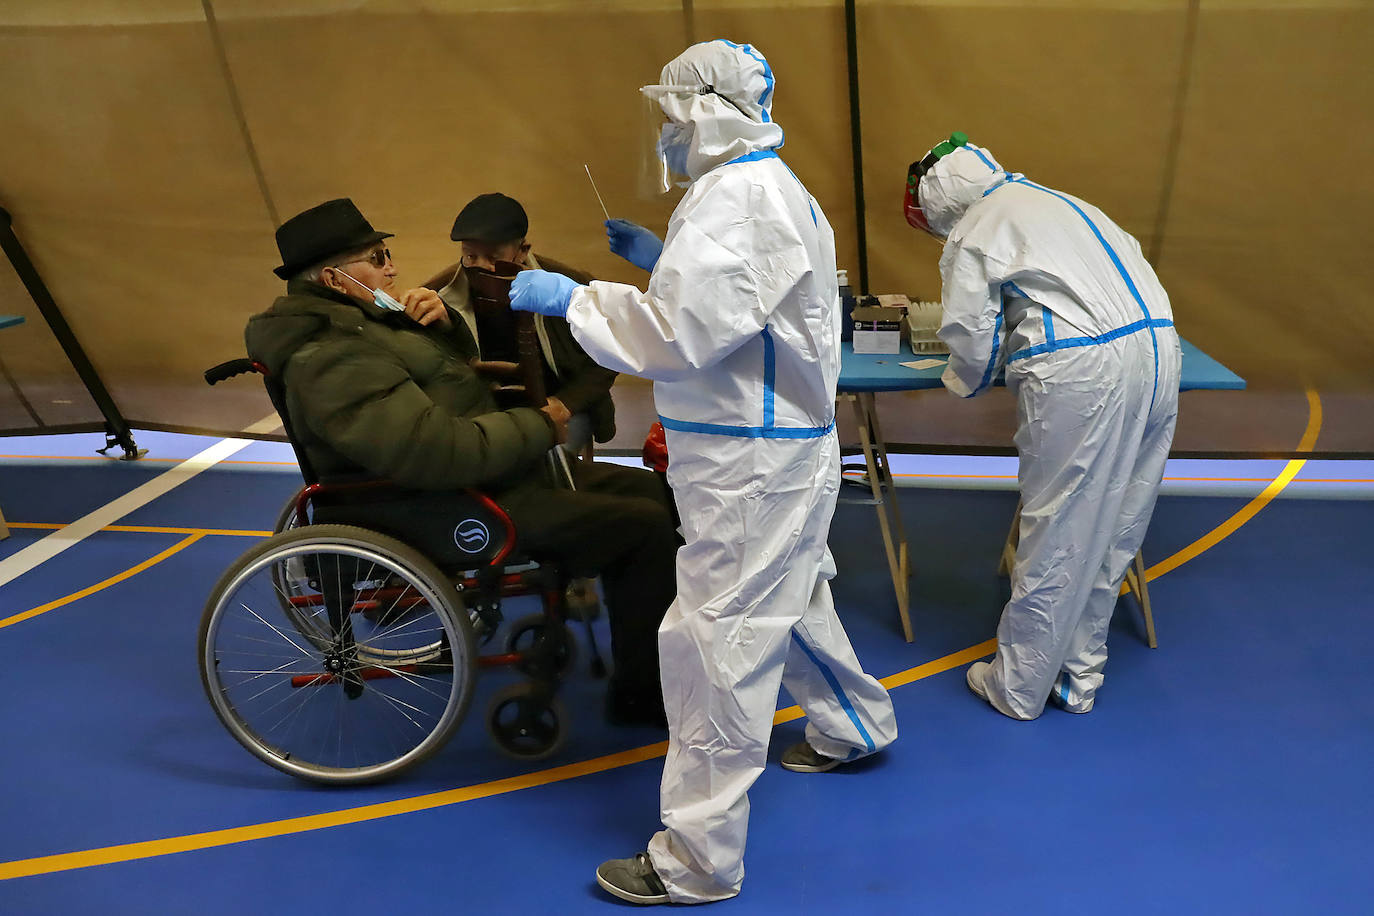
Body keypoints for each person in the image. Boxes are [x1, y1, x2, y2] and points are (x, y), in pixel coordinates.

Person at [508, 40, 897, 905]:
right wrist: (657, 259)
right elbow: (748, 311)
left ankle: (697, 861)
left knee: (714, 642)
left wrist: (574, 299)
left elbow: (681, 336)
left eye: (672, 119)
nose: (664, 136)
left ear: (706, 113)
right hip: (770, 453)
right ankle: (854, 724)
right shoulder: (760, 187)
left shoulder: (739, 200)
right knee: (792, 598)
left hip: (746, 462)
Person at [244, 197, 677, 727]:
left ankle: (648, 661)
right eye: (378, 257)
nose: (393, 267)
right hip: (441, 499)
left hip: (479, 478)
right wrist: (538, 425)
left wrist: (444, 326)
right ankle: (642, 696)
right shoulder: (332, 354)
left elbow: (439, 385)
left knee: (657, 493)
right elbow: (433, 449)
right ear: (335, 280)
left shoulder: (361, 325)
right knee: (645, 528)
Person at [904, 133, 1182, 720]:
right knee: (1116, 524)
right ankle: (1078, 676)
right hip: (1159, 352)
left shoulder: (976, 228)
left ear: (937, 202)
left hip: (1085, 370)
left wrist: (964, 380)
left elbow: (971, 336)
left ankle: (1018, 686)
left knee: (1057, 526)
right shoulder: (1065, 202)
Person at [420, 192, 618, 453]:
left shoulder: (566, 286)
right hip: (484, 410)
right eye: (470, 256)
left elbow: (608, 356)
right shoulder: (444, 292)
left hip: (562, 404)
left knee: (551, 464)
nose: (481, 267)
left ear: (522, 251)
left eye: (493, 257)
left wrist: (565, 403)